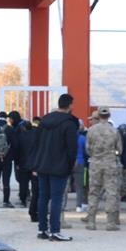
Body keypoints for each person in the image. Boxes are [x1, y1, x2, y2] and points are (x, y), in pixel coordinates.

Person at [33, 93, 77, 241]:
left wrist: (36, 163)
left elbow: (36, 143)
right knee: (57, 198)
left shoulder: (44, 120)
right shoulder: (69, 123)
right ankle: (55, 230)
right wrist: (70, 166)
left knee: (43, 197)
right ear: (70, 105)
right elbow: (71, 148)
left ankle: (42, 229)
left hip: (42, 164)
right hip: (59, 166)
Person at [84, 107, 123, 231]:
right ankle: (110, 222)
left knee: (93, 192)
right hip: (110, 164)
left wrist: (95, 155)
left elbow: (87, 149)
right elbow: (120, 150)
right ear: (109, 116)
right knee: (111, 192)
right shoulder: (114, 131)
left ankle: (91, 222)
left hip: (95, 163)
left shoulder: (91, 130)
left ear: (98, 116)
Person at [0, 111, 16, 208]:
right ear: (6, 118)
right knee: (6, 181)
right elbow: (15, 144)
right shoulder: (9, 129)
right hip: (6, 159)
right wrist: (11, 157)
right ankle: (6, 201)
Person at [22, 116, 43, 223]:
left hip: (27, 165)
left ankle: (32, 211)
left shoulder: (26, 135)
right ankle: (35, 212)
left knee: (34, 191)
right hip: (37, 166)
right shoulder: (40, 136)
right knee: (38, 192)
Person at [9, 110, 30, 207]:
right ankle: (26, 194)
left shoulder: (18, 129)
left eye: (10, 119)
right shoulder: (24, 125)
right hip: (30, 158)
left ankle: (24, 197)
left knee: (21, 179)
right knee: (25, 179)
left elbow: (17, 146)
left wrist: (15, 159)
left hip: (22, 158)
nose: (9, 121)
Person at [73, 120, 89, 213]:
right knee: (80, 186)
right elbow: (87, 152)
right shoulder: (82, 138)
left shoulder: (67, 137)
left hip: (68, 163)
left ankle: (62, 205)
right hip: (80, 162)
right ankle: (79, 205)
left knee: (65, 186)